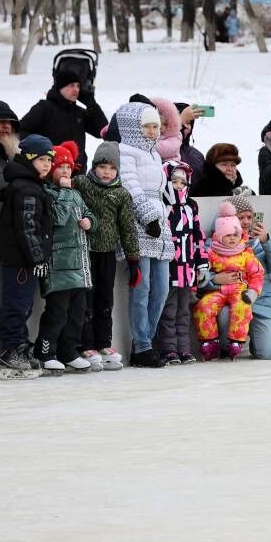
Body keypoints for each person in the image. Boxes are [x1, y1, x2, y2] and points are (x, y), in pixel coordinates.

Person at [116, 102, 174, 368]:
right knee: (143, 287)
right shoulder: (125, 151)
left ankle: (145, 344)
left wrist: (164, 209)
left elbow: (160, 189)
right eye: (147, 126)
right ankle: (143, 345)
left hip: (160, 225)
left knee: (161, 289)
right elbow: (130, 185)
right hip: (139, 224)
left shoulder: (155, 155)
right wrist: (147, 215)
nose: (152, 132)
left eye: (156, 127)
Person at [73, 141, 138, 372]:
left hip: (107, 254)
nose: (106, 172)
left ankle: (103, 343)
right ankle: (85, 343)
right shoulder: (83, 184)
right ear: (94, 167)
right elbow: (66, 179)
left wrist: (134, 260)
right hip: (85, 252)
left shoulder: (121, 194)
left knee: (105, 300)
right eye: (102, 167)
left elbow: (128, 228)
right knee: (86, 300)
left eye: (111, 168)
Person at [0, 134, 55, 379]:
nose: (47, 164)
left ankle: (20, 345)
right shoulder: (26, 189)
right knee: (17, 305)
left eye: (49, 160)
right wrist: (38, 258)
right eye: (41, 159)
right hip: (20, 262)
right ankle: (11, 350)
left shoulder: (31, 185)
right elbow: (27, 228)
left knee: (24, 305)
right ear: (28, 158)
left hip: (23, 260)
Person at [35, 141, 95, 375]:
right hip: (58, 266)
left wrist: (90, 222)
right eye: (60, 167)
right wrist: (68, 192)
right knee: (57, 312)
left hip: (79, 265)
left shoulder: (75, 195)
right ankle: (45, 351)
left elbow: (87, 214)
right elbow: (59, 218)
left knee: (77, 312)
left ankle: (69, 351)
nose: (65, 172)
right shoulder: (48, 193)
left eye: (68, 168)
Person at [213, 195, 271, 360]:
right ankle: (227, 346)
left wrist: (267, 241)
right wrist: (215, 279)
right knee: (225, 313)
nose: (246, 222)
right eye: (241, 218)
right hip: (231, 302)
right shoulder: (217, 245)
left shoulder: (262, 242)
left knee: (269, 352)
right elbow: (202, 274)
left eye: (250, 217)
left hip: (262, 304)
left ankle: (257, 341)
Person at [194, 202, 264, 361]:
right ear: (219, 235)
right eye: (228, 235)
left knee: (242, 307)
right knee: (203, 306)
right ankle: (209, 341)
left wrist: (253, 291)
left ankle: (236, 341)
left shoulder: (245, 251)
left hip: (239, 290)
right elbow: (202, 269)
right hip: (217, 290)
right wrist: (206, 278)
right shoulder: (211, 251)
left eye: (235, 235)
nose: (232, 239)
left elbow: (257, 273)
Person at [156, 161, 206, 365]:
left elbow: (198, 236)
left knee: (184, 311)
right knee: (168, 310)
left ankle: (184, 348)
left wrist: (201, 264)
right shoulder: (162, 206)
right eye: (174, 181)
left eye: (182, 182)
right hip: (168, 268)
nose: (178, 185)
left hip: (187, 269)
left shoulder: (191, 206)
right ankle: (168, 349)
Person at [20, 68, 109, 170]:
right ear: (60, 87)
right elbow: (21, 130)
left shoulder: (79, 112)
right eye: (71, 85)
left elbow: (103, 131)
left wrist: (92, 104)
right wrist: (41, 150)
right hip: (50, 170)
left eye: (78, 86)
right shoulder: (44, 108)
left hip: (77, 172)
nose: (76, 89)